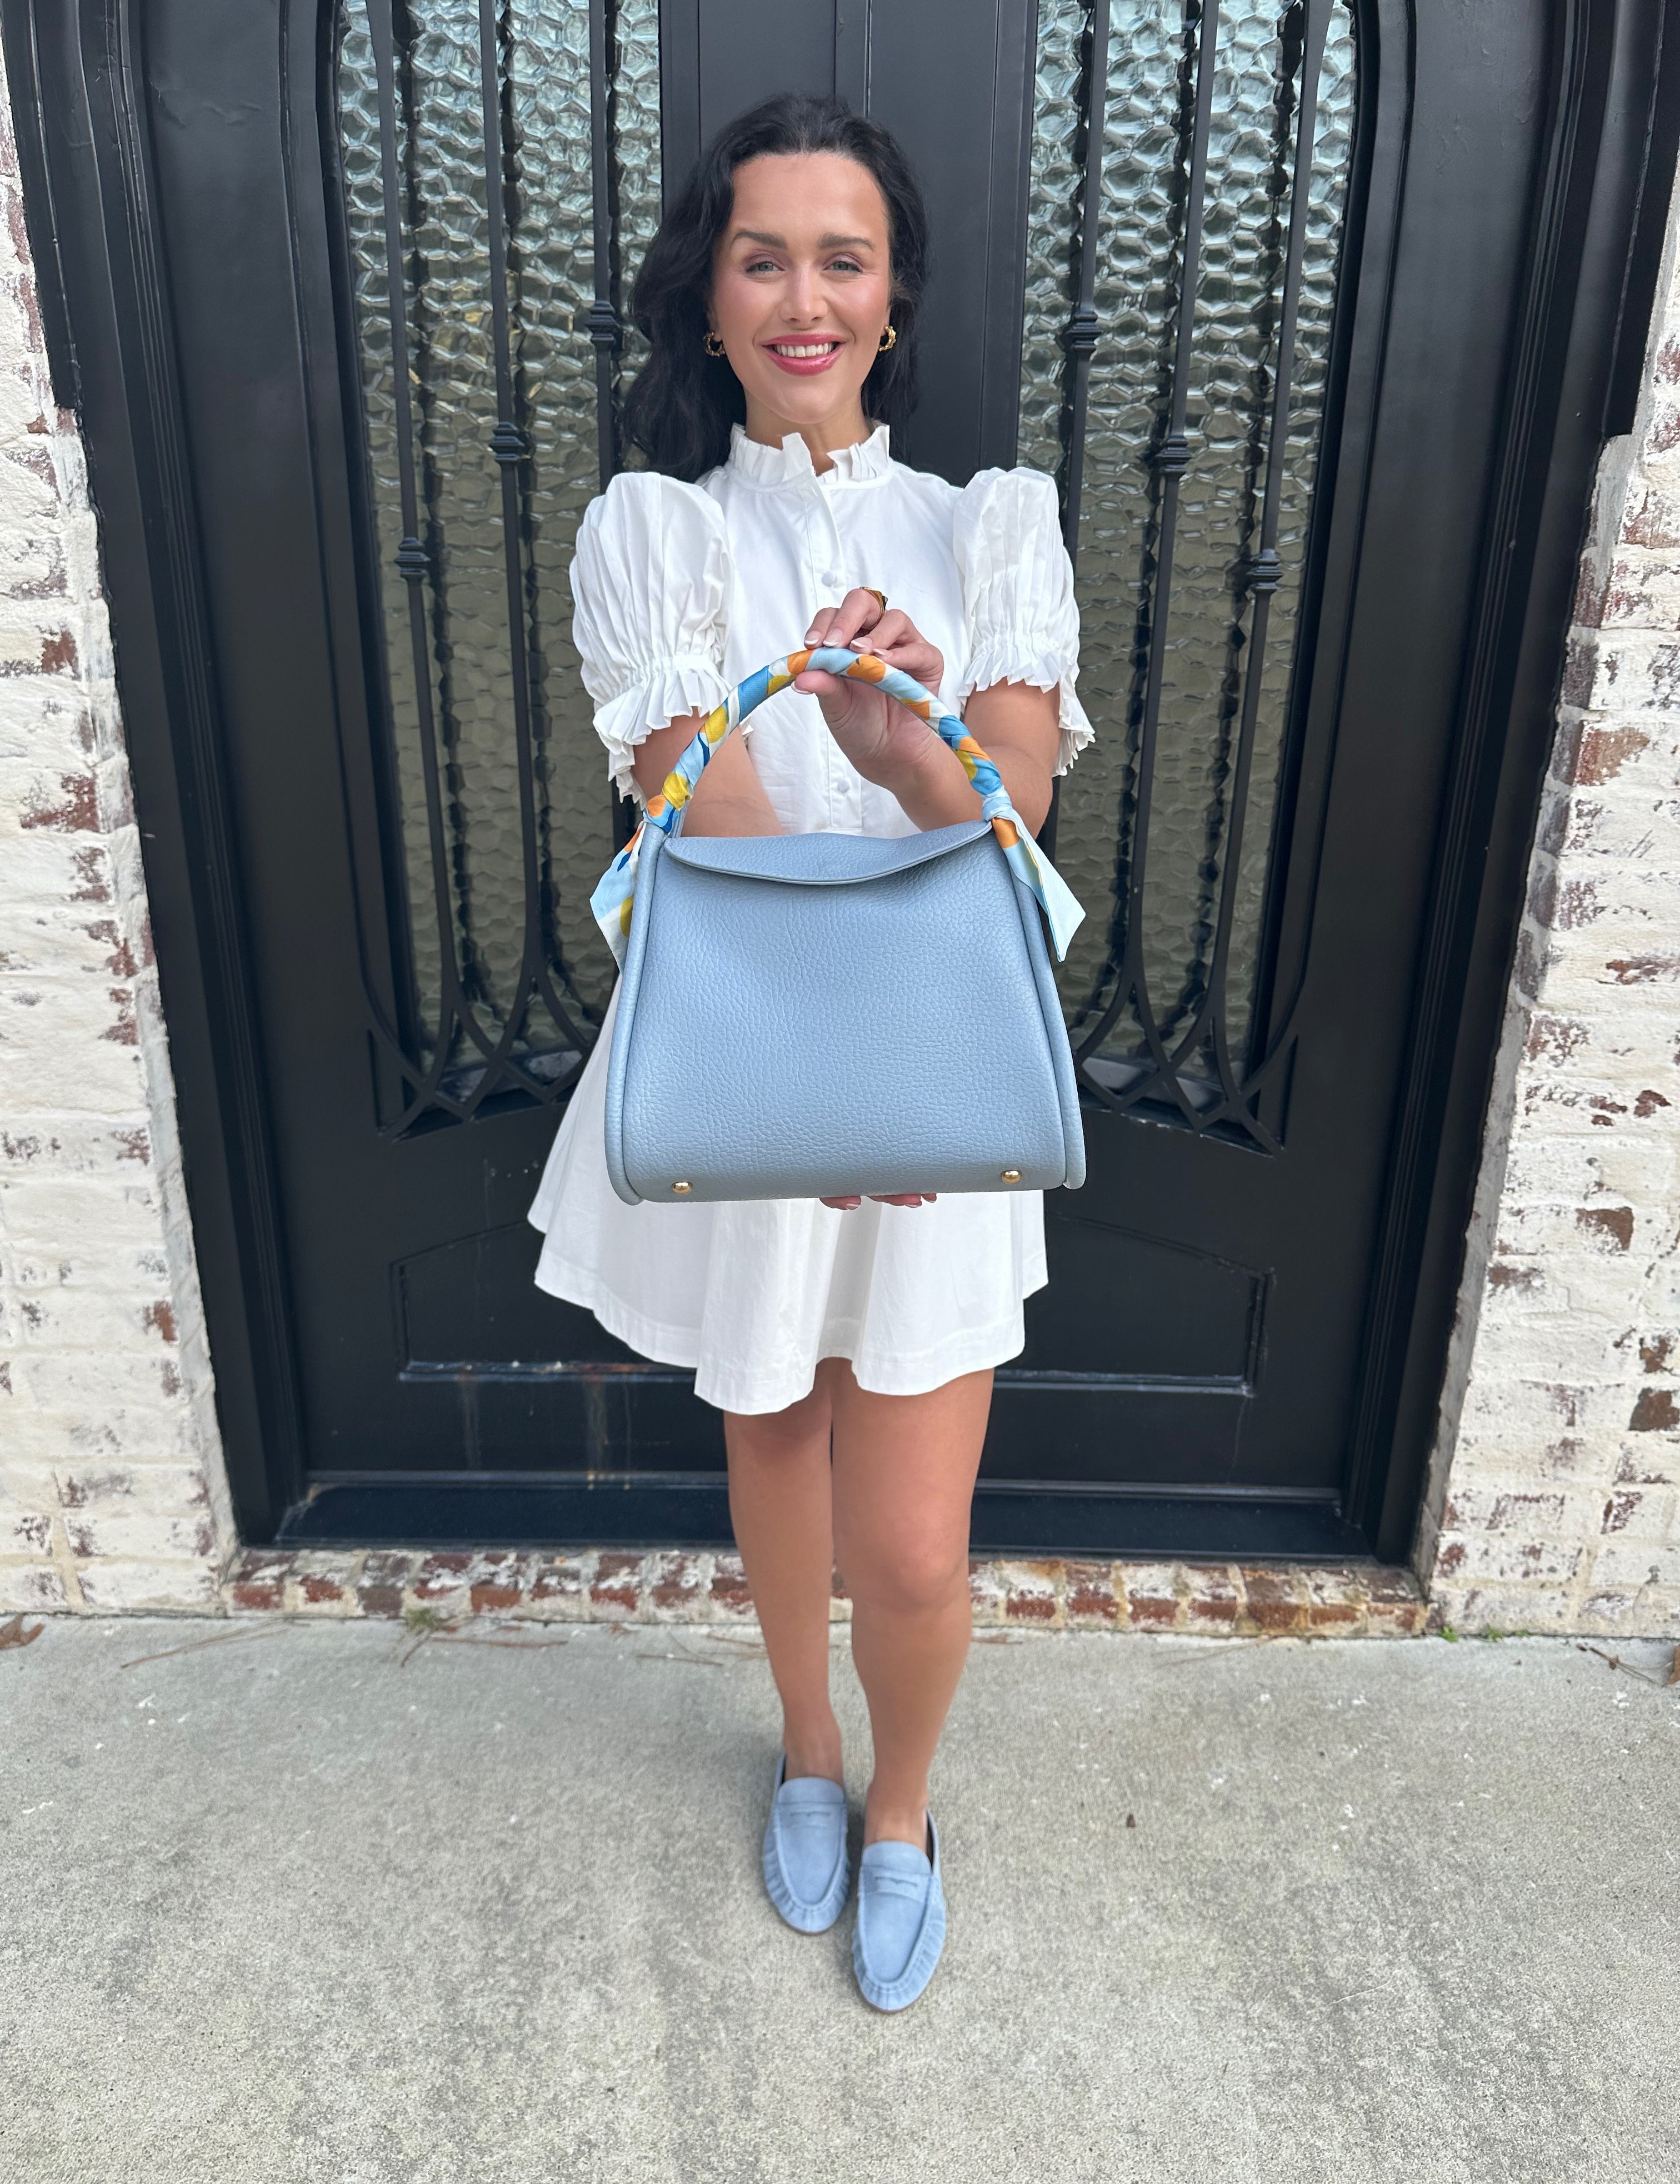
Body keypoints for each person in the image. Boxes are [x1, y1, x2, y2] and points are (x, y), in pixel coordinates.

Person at [528, 93, 1092, 2012]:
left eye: (842, 258)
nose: (802, 298)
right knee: (771, 1439)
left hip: (942, 1104)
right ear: (708, 297)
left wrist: (901, 743)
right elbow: (708, 820)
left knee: (914, 1547)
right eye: (759, 257)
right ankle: (807, 1743)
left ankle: (904, 1805)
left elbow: (1010, 835)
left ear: (893, 293)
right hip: (755, 1086)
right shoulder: (657, 536)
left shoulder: (989, 528)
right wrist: (823, 1095)